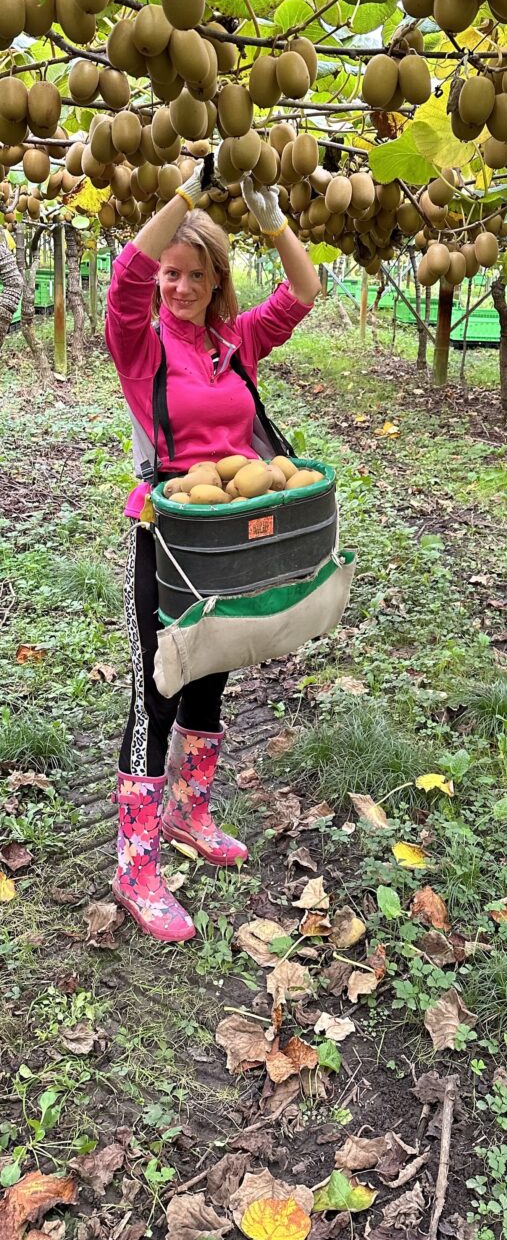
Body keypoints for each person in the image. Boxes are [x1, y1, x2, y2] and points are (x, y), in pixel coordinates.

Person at [105, 162, 320, 943]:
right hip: (168, 537)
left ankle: (190, 814)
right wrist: (189, 197)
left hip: (231, 535)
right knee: (156, 689)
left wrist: (272, 221)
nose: (179, 285)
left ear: (216, 280)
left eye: (196, 274)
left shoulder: (235, 341)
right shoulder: (140, 343)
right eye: (172, 272)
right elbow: (126, 277)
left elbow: (303, 293)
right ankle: (134, 861)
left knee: (211, 673)